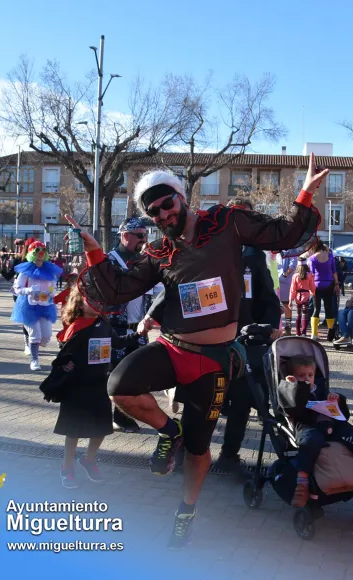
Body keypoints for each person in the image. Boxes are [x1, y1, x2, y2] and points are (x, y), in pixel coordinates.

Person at [68, 154, 324, 547]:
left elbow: (285, 234)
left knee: (200, 449)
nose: (162, 215)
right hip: (173, 347)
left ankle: (186, 508)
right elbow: (118, 290)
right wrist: (94, 253)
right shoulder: (158, 252)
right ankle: (171, 432)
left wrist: (305, 191)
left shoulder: (225, 222)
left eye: (166, 204)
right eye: (153, 212)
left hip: (214, 361)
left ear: (180, 196)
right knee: (119, 386)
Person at [212, 197, 283, 478]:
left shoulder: (255, 256)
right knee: (205, 401)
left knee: (242, 401)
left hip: (245, 341)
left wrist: (270, 327)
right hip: (212, 339)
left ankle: (228, 456)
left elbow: (269, 298)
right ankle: (185, 451)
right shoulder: (211, 249)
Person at [45, 289, 141, 489]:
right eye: (93, 301)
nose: (98, 304)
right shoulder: (76, 327)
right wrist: (65, 364)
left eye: (100, 301)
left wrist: (139, 334)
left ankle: (88, 460)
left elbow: (117, 343)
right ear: (79, 305)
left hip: (99, 382)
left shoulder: (104, 324)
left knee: (101, 428)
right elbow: (63, 353)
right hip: (77, 386)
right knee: (73, 431)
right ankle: (67, 468)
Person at [284, 355, 353, 508]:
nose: (307, 379)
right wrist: (292, 387)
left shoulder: (320, 386)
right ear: (293, 376)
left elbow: (338, 410)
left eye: (310, 375)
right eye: (301, 375)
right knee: (310, 442)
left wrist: (335, 398)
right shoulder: (291, 388)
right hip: (307, 425)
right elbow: (290, 409)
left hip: (330, 422)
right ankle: (302, 485)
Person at [106, 217, 150, 433]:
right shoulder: (109, 261)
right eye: (140, 235)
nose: (144, 240)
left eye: (145, 235)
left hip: (139, 327)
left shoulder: (143, 260)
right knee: (114, 373)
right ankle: (114, 417)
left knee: (134, 374)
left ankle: (122, 415)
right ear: (125, 236)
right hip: (115, 327)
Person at [11, 241, 62, 371]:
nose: (40, 254)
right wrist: (29, 290)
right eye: (37, 251)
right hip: (29, 306)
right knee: (36, 335)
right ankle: (34, 360)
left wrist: (51, 291)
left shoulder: (49, 268)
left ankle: (36, 344)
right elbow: (17, 288)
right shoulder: (26, 269)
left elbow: (53, 284)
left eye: (42, 251)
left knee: (46, 336)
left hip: (45, 305)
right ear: (32, 253)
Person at [307, 240, 340, 341]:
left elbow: (311, 274)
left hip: (316, 285)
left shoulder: (312, 258)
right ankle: (330, 333)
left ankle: (314, 334)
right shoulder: (330, 256)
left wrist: (310, 287)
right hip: (328, 284)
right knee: (328, 308)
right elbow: (334, 272)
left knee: (316, 309)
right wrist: (337, 284)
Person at [289, 262, 316, 336]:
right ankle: (304, 332)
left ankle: (298, 332)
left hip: (298, 296)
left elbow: (292, 289)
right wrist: (313, 294)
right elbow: (312, 286)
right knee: (305, 314)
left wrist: (291, 300)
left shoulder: (295, 276)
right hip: (306, 296)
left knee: (298, 314)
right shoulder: (309, 275)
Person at [277, 251, 297, 335]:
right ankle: (277, 327)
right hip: (275, 280)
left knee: (286, 305)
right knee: (275, 305)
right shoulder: (275, 248)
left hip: (286, 282)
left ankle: (288, 328)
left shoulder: (291, 250)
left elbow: (293, 264)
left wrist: (285, 274)